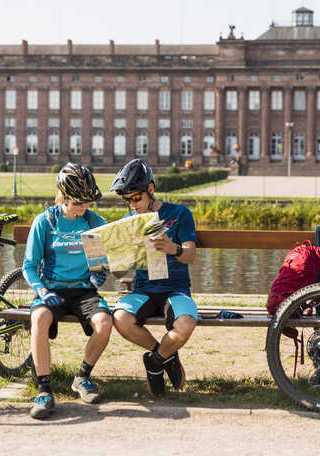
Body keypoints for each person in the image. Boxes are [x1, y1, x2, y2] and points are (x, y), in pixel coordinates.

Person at [22, 162, 112, 419]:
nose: (84, 207)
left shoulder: (95, 222)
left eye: (87, 202)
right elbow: (29, 266)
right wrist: (41, 290)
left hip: (84, 292)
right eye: (78, 203)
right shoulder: (46, 222)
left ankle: (82, 378)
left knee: (105, 323)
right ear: (64, 197)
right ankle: (44, 389)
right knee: (39, 317)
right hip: (50, 289)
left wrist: (99, 275)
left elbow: (100, 266)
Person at [110, 159, 198, 397]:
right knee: (120, 319)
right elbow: (118, 273)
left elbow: (191, 256)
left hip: (175, 289)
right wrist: (112, 260)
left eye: (136, 198)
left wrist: (174, 249)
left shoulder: (179, 214)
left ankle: (154, 362)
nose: (132, 204)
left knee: (185, 325)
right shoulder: (130, 222)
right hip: (143, 290)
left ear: (150, 189)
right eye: (127, 200)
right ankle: (166, 356)